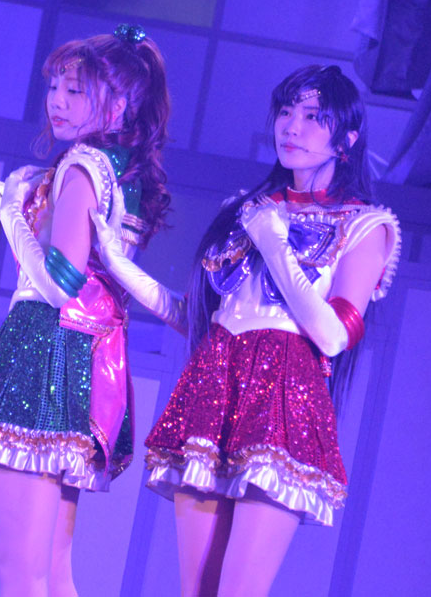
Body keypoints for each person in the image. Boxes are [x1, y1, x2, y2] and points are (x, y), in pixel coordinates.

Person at [92, 64, 401, 596]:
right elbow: (197, 318)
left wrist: (275, 243)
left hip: (284, 401)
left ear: (347, 139)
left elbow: (332, 336)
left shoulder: (363, 223)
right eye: (286, 112)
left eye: (313, 117)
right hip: (214, 388)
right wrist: (115, 262)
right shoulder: (247, 211)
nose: (292, 127)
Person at [0, 24, 171, 597]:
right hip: (81, 358)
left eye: (76, 90)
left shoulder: (84, 166)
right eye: (56, 88)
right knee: (51, 568)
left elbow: (60, 284)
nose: (58, 102)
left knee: (19, 564)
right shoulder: (123, 170)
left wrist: (11, 210)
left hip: (44, 350)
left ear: (120, 104)